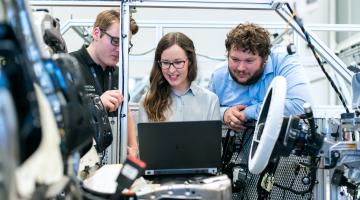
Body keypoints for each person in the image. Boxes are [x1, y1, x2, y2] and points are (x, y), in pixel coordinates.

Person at [209, 23, 312, 132]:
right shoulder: (218, 76)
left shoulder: (284, 62)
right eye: (235, 59)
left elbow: (300, 105)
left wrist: (247, 113)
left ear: (265, 59)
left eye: (249, 61)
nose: (240, 68)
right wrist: (224, 113)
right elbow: (207, 112)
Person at [70, 9, 138, 157]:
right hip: (81, 158)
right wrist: (97, 105)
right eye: (115, 41)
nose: (120, 50)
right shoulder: (70, 66)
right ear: (96, 33)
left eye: (126, 45)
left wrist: (133, 148)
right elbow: (62, 119)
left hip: (112, 159)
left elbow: (127, 112)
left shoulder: (118, 74)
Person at [139, 32, 220, 122]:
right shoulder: (147, 101)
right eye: (165, 63)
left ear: (190, 61)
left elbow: (212, 136)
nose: (171, 70)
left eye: (178, 62)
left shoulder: (210, 101)